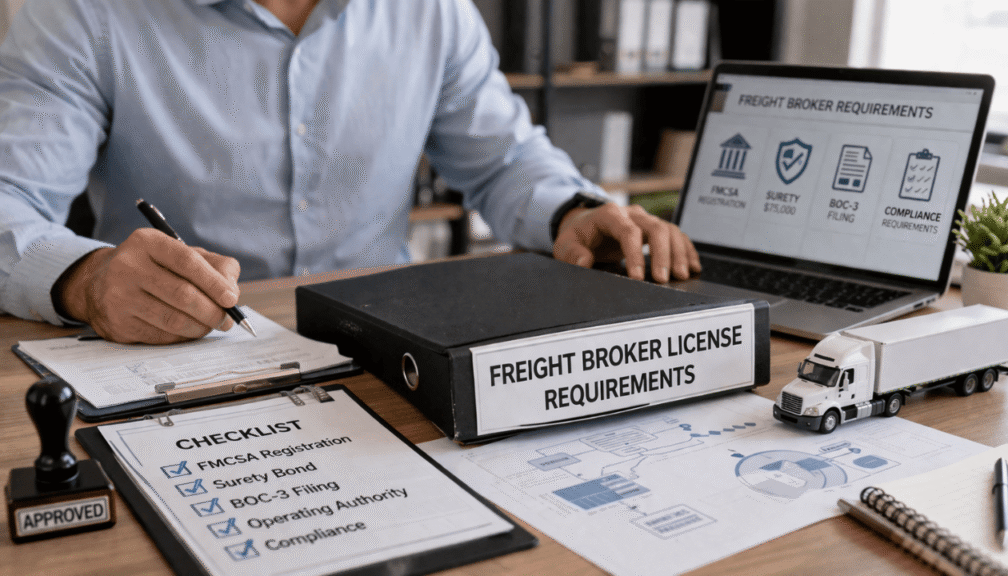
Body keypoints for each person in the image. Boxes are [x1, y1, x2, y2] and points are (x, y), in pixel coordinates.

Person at [0, 0, 700, 344]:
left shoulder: (432, 10)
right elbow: (9, 201)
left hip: (381, 347)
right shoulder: (81, 13)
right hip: (174, 352)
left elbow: (506, 156)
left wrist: (572, 213)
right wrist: (87, 280)